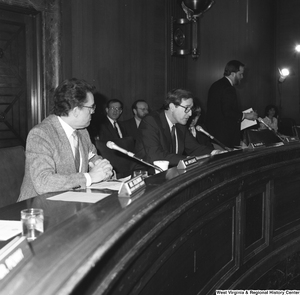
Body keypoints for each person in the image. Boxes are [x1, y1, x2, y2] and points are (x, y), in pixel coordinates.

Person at [18, 78, 114, 201]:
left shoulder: (82, 132)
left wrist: (104, 169)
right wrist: (89, 177)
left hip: (73, 202)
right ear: (75, 111)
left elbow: (93, 158)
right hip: (38, 208)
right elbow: (43, 182)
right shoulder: (41, 134)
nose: (93, 112)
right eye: (90, 108)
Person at [134, 88, 218, 168]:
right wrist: (190, 160)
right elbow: (156, 156)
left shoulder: (180, 124)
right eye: (186, 108)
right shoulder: (150, 121)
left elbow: (194, 148)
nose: (190, 114)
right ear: (172, 107)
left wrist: (215, 152)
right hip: (147, 173)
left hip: (171, 171)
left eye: (191, 109)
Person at [205, 60, 258, 148]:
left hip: (214, 135)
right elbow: (228, 112)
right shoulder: (229, 89)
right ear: (233, 74)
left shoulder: (215, 85)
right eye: (240, 74)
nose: (242, 77)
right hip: (225, 137)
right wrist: (246, 115)